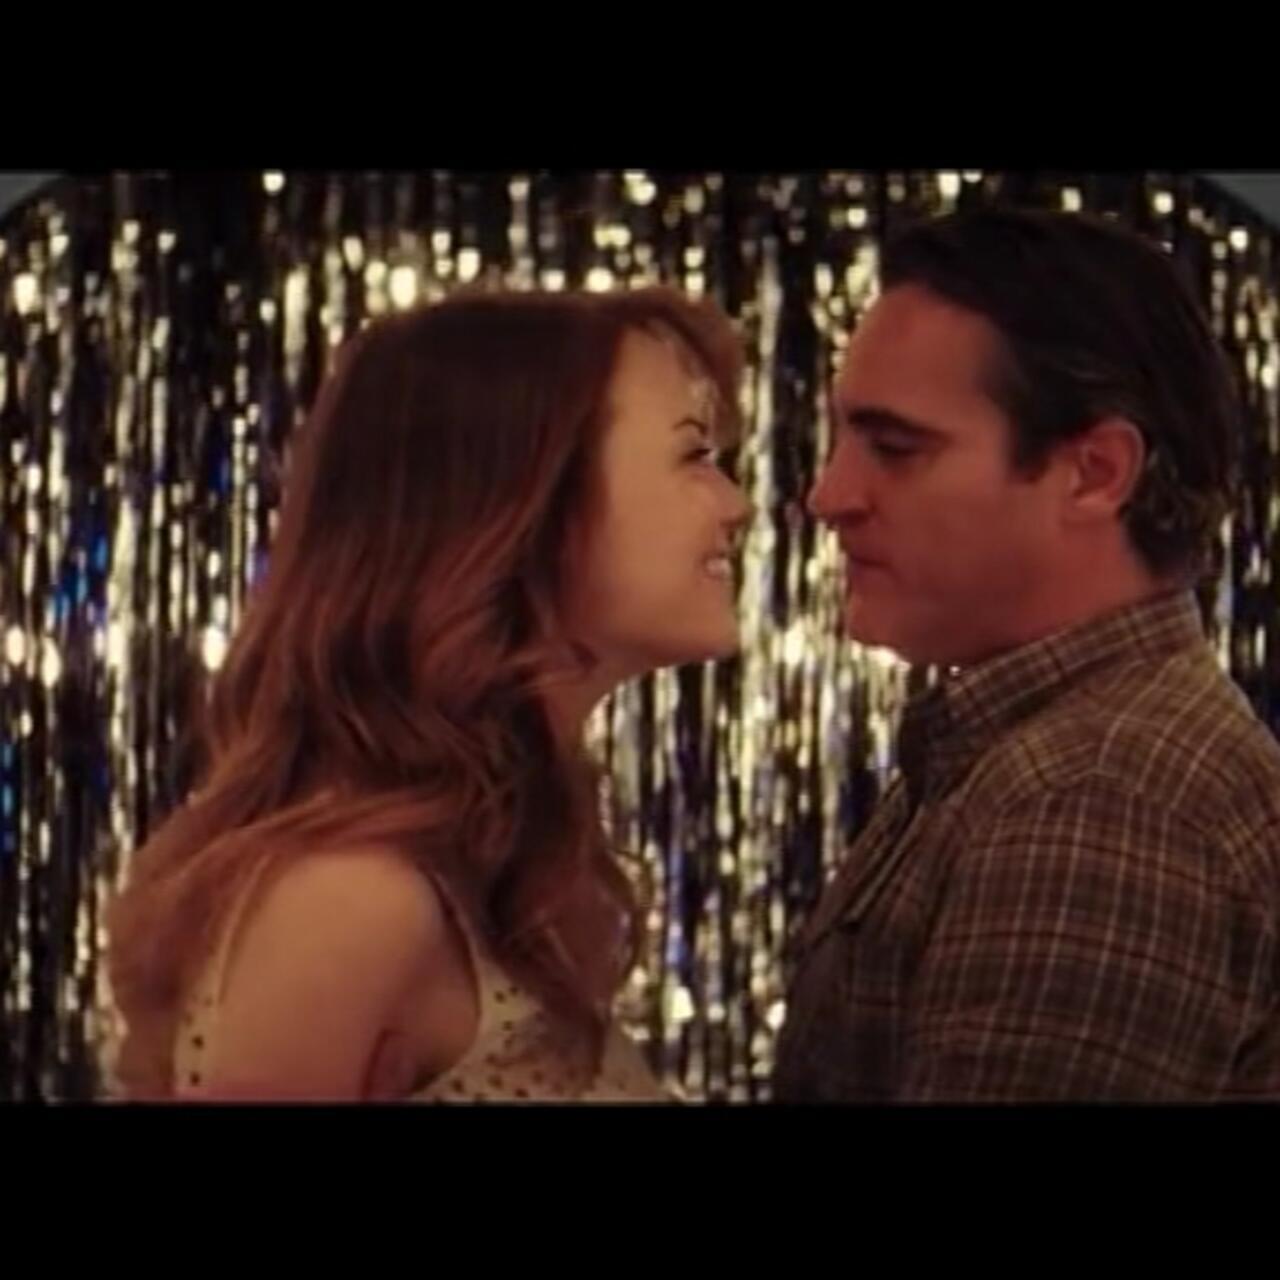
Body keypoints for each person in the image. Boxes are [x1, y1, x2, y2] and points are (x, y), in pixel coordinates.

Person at [107, 285, 751, 1102]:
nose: (737, 504)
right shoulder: (352, 899)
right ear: (520, 496)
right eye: (694, 454)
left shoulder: (490, 878)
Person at [774, 207, 1280, 1102]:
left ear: (1095, 473)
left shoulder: (1095, 795)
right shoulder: (1050, 752)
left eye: (896, 448)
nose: (830, 494)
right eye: (843, 440)